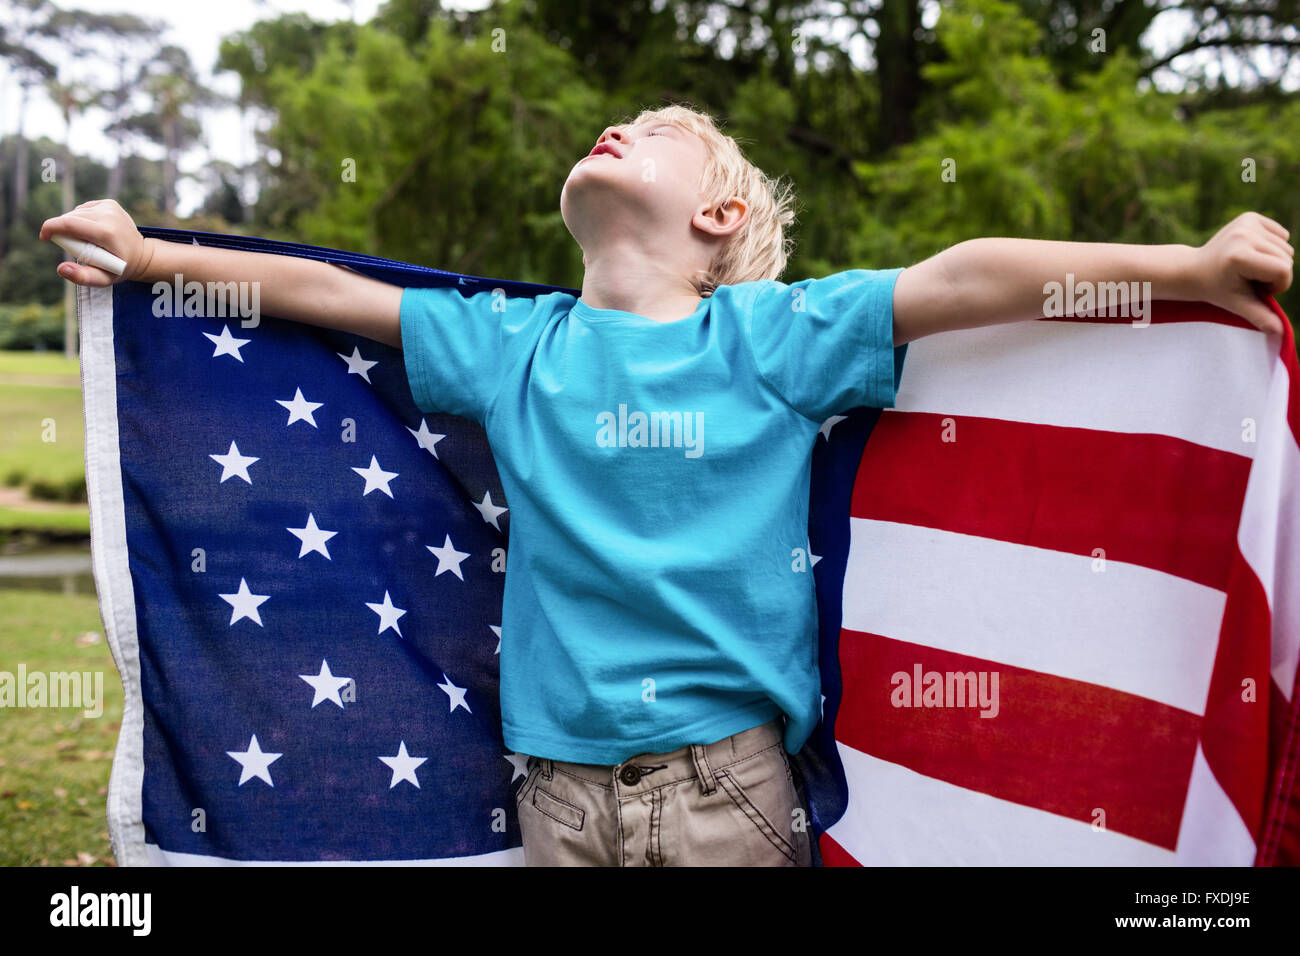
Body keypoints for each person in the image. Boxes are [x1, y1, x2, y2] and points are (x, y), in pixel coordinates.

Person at [40, 103, 1292, 867]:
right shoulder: (509, 346)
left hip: (727, 793)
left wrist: (1182, 262)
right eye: (619, 123)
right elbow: (328, 297)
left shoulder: (765, 336)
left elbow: (963, 276)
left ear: (718, 214)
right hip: (553, 798)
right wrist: (154, 255)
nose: (621, 127)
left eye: (660, 134)